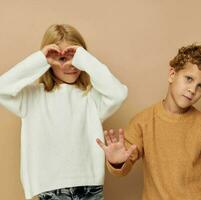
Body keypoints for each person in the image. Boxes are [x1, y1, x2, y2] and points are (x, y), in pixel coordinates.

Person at [97, 44, 201, 200]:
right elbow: (125, 164)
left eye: (200, 86)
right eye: (189, 79)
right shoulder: (142, 122)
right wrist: (117, 162)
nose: (192, 90)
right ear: (172, 74)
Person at [0, 24, 127, 200]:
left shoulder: (91, 98)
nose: (70, 65)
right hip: (48, 188)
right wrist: (40, 59)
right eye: (62, 59)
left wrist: (84, 58)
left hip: (89, 186)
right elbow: (2, 88)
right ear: (49, 61)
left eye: (74, 58)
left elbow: (119, 93)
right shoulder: (32, 97)